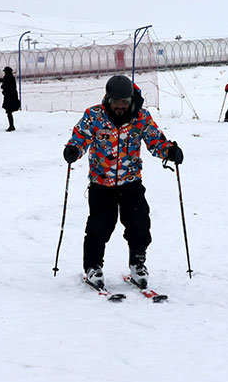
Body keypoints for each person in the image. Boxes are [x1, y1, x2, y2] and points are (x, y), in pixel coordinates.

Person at [63, 75, 184, 290]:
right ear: (108, 99)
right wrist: (73, 149)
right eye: (116, 102)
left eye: (125, 103)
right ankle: (93, 266)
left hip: (131, 182)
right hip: (102, 183)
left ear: (131, 100)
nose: (120, 107)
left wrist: (170, 151)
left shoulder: (141, 118)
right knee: (99, 226)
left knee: (139, 224)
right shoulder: (94, 116)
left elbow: (155, 140)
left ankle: (138, 263)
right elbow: (81, 137)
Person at [0, 66, 20, 132]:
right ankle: (11, 126)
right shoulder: (11, 77)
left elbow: (4, 86)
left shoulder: (7, 77)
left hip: (9, 97)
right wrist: (1, 80)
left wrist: (2, 83)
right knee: (9, 112)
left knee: (9, 112)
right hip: (12, 96)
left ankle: (11, 126)